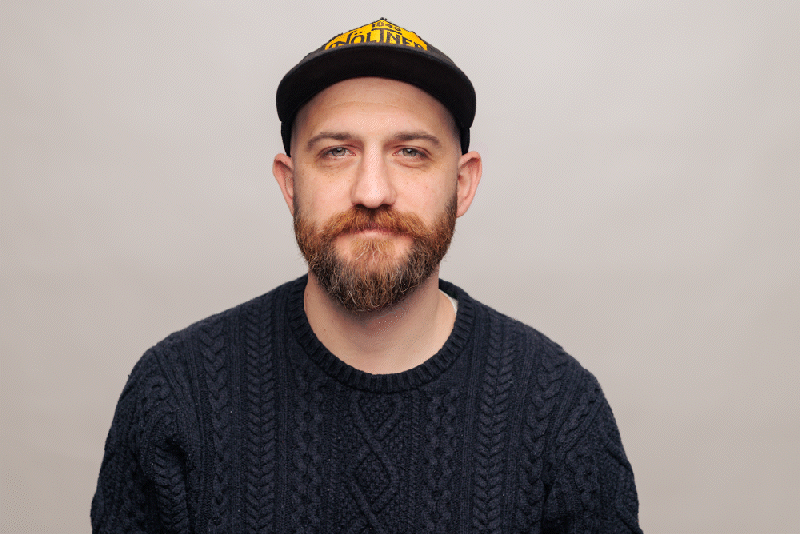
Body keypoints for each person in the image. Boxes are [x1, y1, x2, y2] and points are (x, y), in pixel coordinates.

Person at [92, 18, 642, 533]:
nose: (372, 191)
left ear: (464, 183)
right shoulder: (175, 396)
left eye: (410, 151)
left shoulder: (559, 411)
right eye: (336, 152)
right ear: (290, 184)